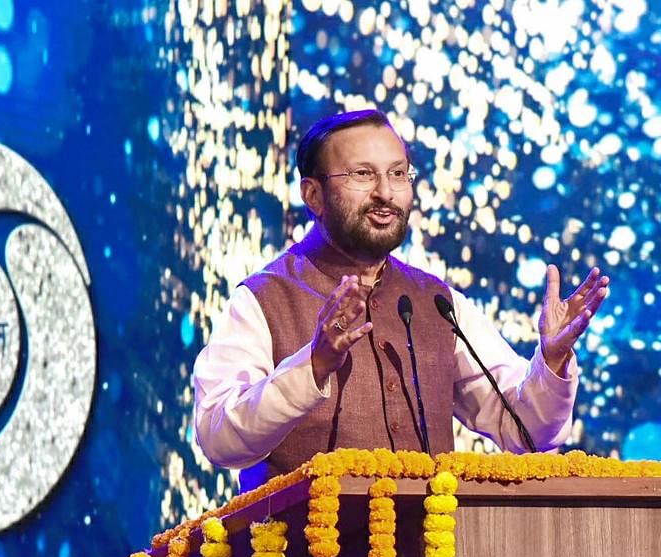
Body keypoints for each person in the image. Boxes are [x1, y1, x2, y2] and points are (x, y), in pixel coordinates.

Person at [193, 109, 608, 485]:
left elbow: (527, 431)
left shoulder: (437, 302)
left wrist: (551, 362)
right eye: (362, 174)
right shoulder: (263, 299)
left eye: (398, 174)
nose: (386, 193)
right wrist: (313, 366)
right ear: (312, 195)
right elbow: (218, 439)